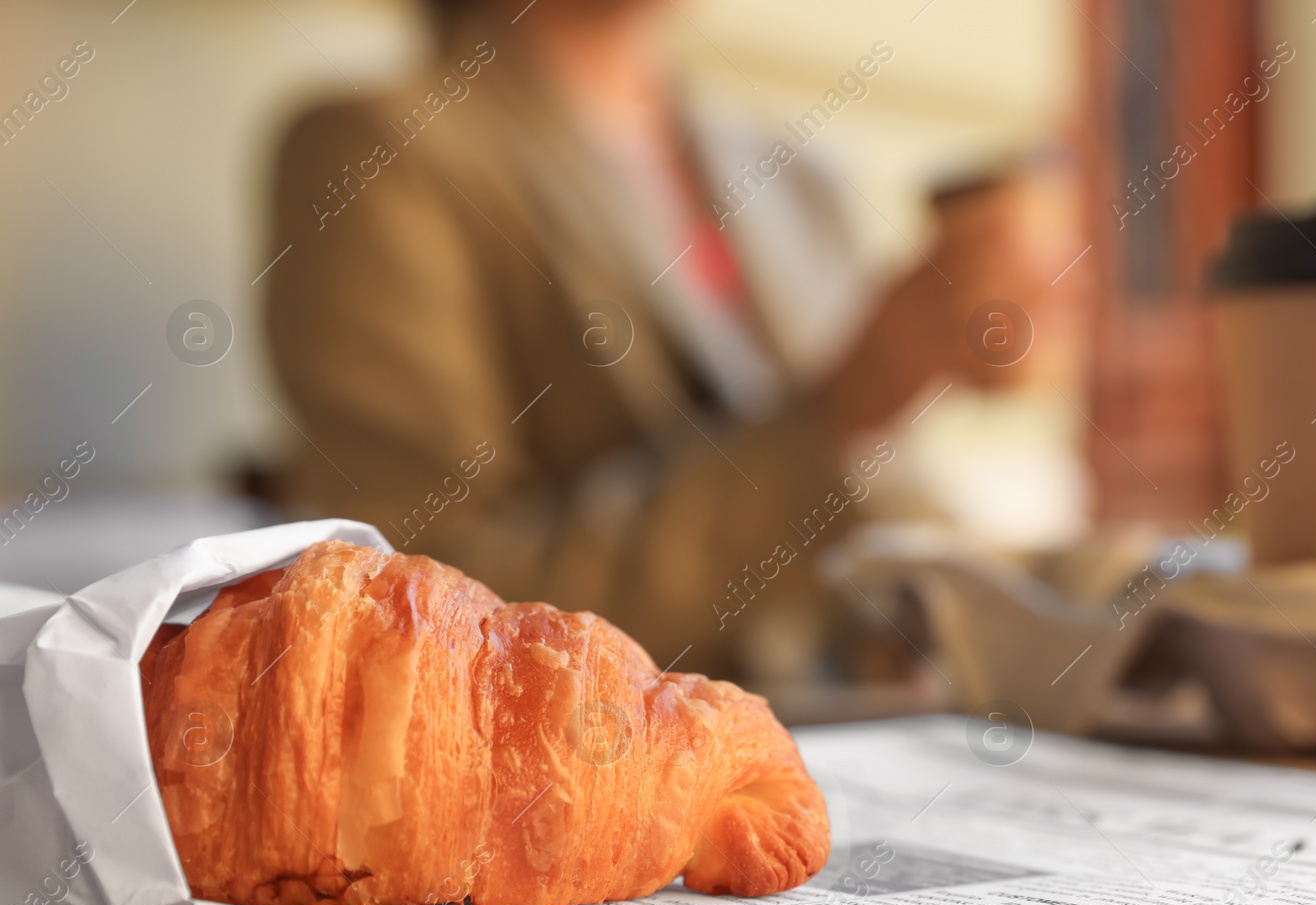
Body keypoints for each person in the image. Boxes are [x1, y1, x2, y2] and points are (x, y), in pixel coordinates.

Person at [265, 0, 1071, 678]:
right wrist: (848, 405)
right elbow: (427, 608)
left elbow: (891, 512)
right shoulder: (380, 155)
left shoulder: (797, 177)